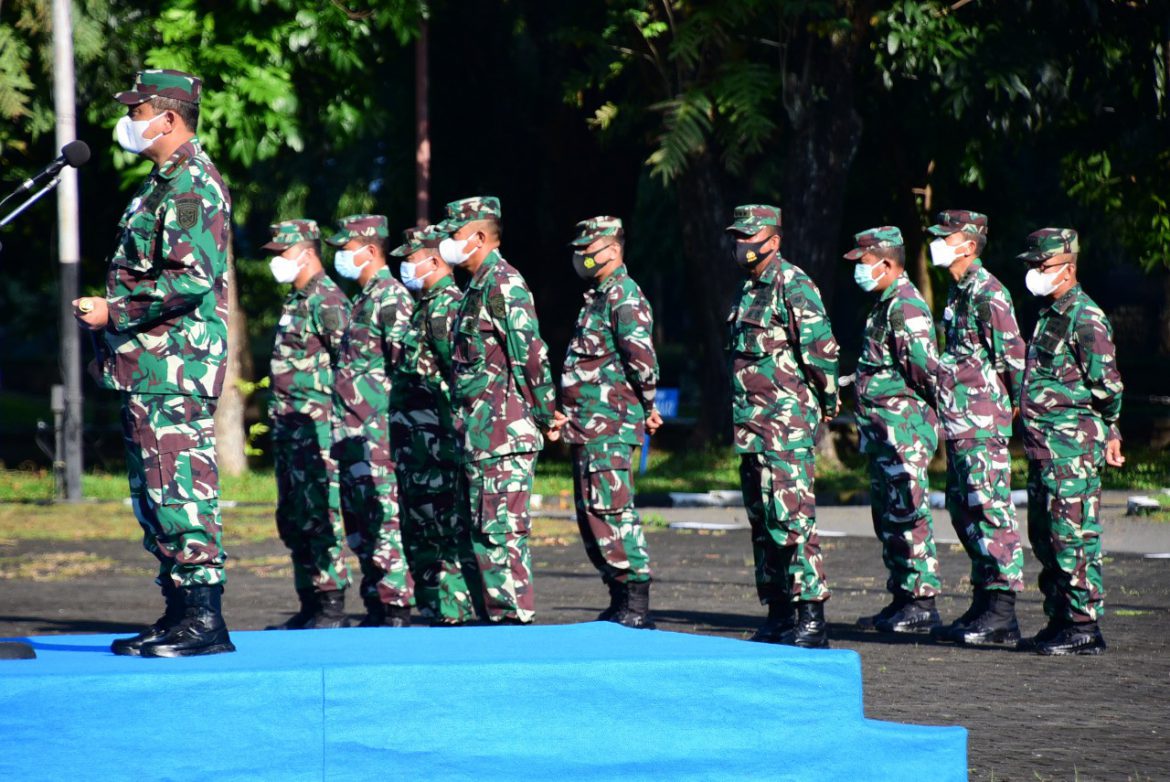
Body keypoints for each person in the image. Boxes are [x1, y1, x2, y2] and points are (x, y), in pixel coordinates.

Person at [74, 69, 234, 657]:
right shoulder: (162, 184)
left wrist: (113, 311)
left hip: (175, 368)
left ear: (168, 118)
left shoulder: (191, 187)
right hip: (149, 369)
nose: (129, 121)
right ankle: (178, 611)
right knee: (156, 496)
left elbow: (191, 278)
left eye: (137, 111)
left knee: (181, 489)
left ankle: (205, 620)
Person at [724, 205, 839, 647]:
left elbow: (821, 352)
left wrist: (827, 402)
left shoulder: (793, 284)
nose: (741, 246)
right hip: (751, 430)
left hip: (784, 429)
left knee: (792, 522)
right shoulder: (747, 290)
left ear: (773, 241)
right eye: (737, 238)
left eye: (749, 238)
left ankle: (811, 616)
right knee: (764, 524)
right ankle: (779, 611)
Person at [439, 196, 556, 625]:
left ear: (479, 237)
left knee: (500, 536)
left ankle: (513, 629)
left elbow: (531, 357)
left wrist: (546, 414)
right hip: (479, 436)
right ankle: (493, 627)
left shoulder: (504, 283)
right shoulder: (476, 287)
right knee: (480, 537)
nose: (447, 244)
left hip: (505, 435)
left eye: (454, 235)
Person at [548, 216, 661, 629]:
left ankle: (636, 600)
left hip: (610, 425)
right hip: (586, 427)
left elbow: (642, 360)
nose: (582, 257)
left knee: (613, 510)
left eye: (589, 249)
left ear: (612, 250)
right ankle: (618, 595)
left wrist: (647, 405)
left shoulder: (624, 296)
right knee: (592, 515)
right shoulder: (597, 297)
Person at [1017, 228, 1123, 655]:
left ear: (1068, 268)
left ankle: (1083, 625)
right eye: (1032, 265)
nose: (1035, 272)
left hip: (1072, 450)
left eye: (1041, 265)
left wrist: (1110, 429)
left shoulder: (1086, 317)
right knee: (1045, 536)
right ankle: (1060, 617)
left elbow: (1108, 388)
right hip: (1045, 448)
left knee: (1072, 536)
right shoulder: (1050, 313)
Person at [928, 210, 1027, 647]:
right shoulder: (959, 291)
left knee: (989, 509)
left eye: (945, 237)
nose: (936, 244)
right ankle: (985, 601)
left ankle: (1003, 611)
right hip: (959, 422)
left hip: (983, 423)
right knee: (962, 509)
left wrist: (1014, 410)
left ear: (968, 245)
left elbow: (1014, 358)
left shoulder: (989, 292)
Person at [847, 226, 943, 634]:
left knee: (908, 513)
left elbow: (926, 372)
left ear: (886, 263)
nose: (859, 269)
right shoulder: (884, 305)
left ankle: (921, 602)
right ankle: (903, 596)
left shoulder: (905, 306)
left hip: (904, 433)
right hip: (883, 434)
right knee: (889, 517)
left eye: (864, 262)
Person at [261, 219, 352, 629]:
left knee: (321, 514)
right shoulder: (296, 300)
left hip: (319, 432)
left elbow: (348, 365)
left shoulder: (328, 301)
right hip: (289, 430)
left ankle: (331, 604)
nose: (277, 261)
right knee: (294, 515)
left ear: (308, 253)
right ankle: (309, 602)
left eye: (283, 253)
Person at [327, 214, 415, 627]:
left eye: (345, 249)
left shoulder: (391, 298)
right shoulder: (363, 299)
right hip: (352, 435)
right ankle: (376, 603)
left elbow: (405, 370)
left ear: (370, 250)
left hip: (378, 436)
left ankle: (395, 606)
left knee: (384, 521)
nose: (340, 257)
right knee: (360, 523)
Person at [388, 225, 476, 625]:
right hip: (416, 445)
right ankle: (433, 611)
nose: (405, 268)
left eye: (411, 260)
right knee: (421, 529)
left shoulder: (446, 308)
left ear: (435, 261)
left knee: (442, 531)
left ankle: (453, 614)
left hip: (437, 444)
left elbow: (456, 379)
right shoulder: (423, 307)